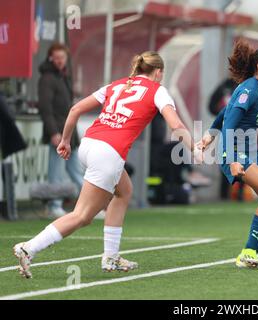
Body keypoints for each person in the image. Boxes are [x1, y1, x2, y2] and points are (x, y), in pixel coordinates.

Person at [13, 51, 201, 278]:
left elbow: (75, 110)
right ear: (158, 72)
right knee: (82, 216)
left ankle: (111, 258)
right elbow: (176, 124)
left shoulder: (116, 85)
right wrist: (194, 149)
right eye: (161, 73)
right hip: (108, 153)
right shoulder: (157, 90)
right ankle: (28, 248)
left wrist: (65, 140)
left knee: (124, 191)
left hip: (89, 144)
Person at [198, 40, 258, 268]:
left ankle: (250, 253)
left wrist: (209, 133)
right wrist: (232, 159)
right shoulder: (250, 90)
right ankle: (247, 253)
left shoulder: (257, 90)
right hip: (235, 151)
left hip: (251, 152)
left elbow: (226, 111)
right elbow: (230, 126)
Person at [37, 42, 84, 218]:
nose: (59, 61)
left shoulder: (63, 76)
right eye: (56, 58)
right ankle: (54, 205)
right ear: (51, 58)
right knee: (56, 171)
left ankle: (90, 204)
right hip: (58, 132)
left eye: (62, 58)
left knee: (75, 170)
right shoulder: (47, 79)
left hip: (68, 132)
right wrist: (54, 133)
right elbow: (45, 108)